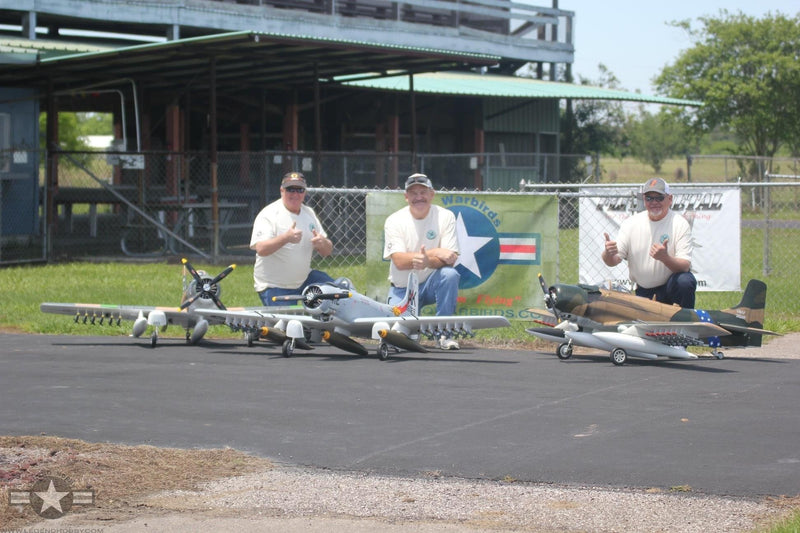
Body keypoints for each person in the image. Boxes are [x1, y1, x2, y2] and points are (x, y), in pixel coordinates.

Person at [383, 173, 461, 349]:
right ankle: (411, 330)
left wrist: (427, 262)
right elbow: (399, 261)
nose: (419, 197)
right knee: (397, 338)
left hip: (430, 284)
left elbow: (450, 259)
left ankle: (443, 335)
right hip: (403, 289)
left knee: (450, 275)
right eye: (413, 193)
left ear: (432, 194)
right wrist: (435, 252)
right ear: (406, 197)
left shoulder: (446, 216)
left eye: (423, 192)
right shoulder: (394, 220)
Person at [601, 177, 697, 308]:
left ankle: (686, 322)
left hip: (670, 288)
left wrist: (665, 258)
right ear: (644, 200)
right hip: (644, 290)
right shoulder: (631, 223)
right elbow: (613, 261)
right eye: (649, 198)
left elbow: (685, 266)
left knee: (685, 281)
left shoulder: (679, 224)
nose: (654, 202)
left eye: (659, 198)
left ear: (670, 199)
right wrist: (608, 253)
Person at [250, 171, 334, 305]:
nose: (295, 194)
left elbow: (327, 251)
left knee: (339, 293)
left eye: (300, 190)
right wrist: (286, 238)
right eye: (290, 189)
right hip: (274, 286)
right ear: (281, 190)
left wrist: (322, 242)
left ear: (305, 192)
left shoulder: (308, 213)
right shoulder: (269, 214)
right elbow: (261, 249)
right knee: (289, 324)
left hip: (304, 279)